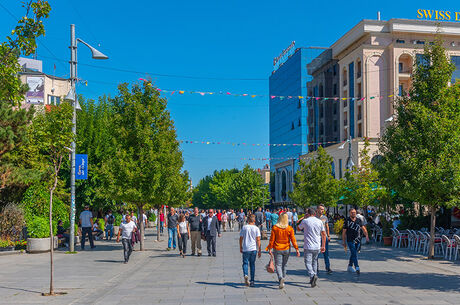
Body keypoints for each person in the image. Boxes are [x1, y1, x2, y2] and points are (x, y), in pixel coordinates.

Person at [266, 213, 300, 289]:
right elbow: (293, 240)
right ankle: (283, 279)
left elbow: (272, 239)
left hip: (277, 248)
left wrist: (269, 248)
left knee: (278, 265)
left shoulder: (275, 228)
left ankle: (280, 278)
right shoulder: (289, 228)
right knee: (284, 265)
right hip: (286, 248)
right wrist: (297, 249)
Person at [298, 208, 326, 288]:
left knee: (307, 262)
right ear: (314, 213)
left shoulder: (305, 221)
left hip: (308, 245)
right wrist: (323, 245)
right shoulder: (319, 221)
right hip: (317, 246)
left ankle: (312, 274)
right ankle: (313, 278)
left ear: (308, 213)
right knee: (314, 262)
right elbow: (323, 234)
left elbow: (298, 228)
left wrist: (303, 218)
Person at [342, 208, 369, 275]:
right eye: (352, 212)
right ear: (349, 213)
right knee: (354, 253)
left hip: (358, 240)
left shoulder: (358, 220)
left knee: (354, 253)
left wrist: (367, 236)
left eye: (354, 212)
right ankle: (357, 267)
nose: (353, 213)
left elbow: (363, 228)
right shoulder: (347, 220)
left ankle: (350, 266)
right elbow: (344, 232)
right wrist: (344, 242)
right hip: (350, 240)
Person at [239, 214, 261, 287]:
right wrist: (259, 250)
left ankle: (245, 274)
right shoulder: (256, 228)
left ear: (247, 220)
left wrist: (240, 247)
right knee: (252, 265)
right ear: (254, 220)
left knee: (245, 263)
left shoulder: (244, 227)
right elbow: (258, 239)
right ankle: (252, 281)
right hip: (253, 249)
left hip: (246, 248)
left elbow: (241, 238)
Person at [316, 204, 332, 274]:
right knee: (316, 253)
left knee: (326, 253)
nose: (322, 210)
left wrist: (328, 235)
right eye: (321, 209)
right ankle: (316, 267)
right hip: (316, 237)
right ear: (317, 209)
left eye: (323, 209)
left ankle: (328, 267)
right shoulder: (314, 217)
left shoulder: (325, 218)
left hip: (324, 237)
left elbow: (327, 227)